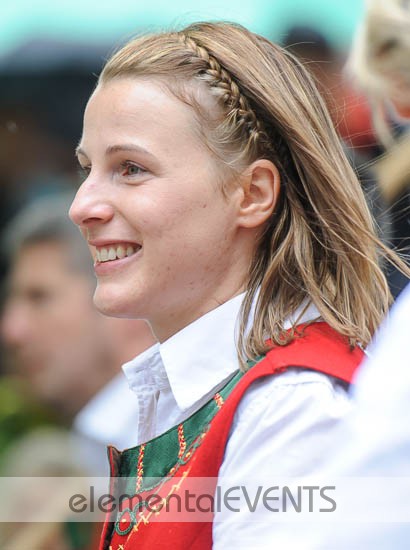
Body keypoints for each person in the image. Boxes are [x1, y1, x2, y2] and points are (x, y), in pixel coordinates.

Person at [68, 21, 408, 548]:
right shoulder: (213, 395)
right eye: (87, 168)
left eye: (131, 168)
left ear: (252, 194)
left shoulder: (292, 408)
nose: (82, 206)